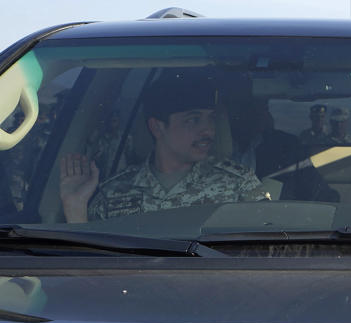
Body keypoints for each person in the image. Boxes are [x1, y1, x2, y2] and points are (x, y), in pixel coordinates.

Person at [59, 70, 269, 223]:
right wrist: (75, 206)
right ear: (157, 128)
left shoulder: (239, 185)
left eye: (211, 119)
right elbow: (91, 267)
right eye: (193, 120)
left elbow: (263, 254)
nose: (208, 131)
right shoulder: (115, 190)